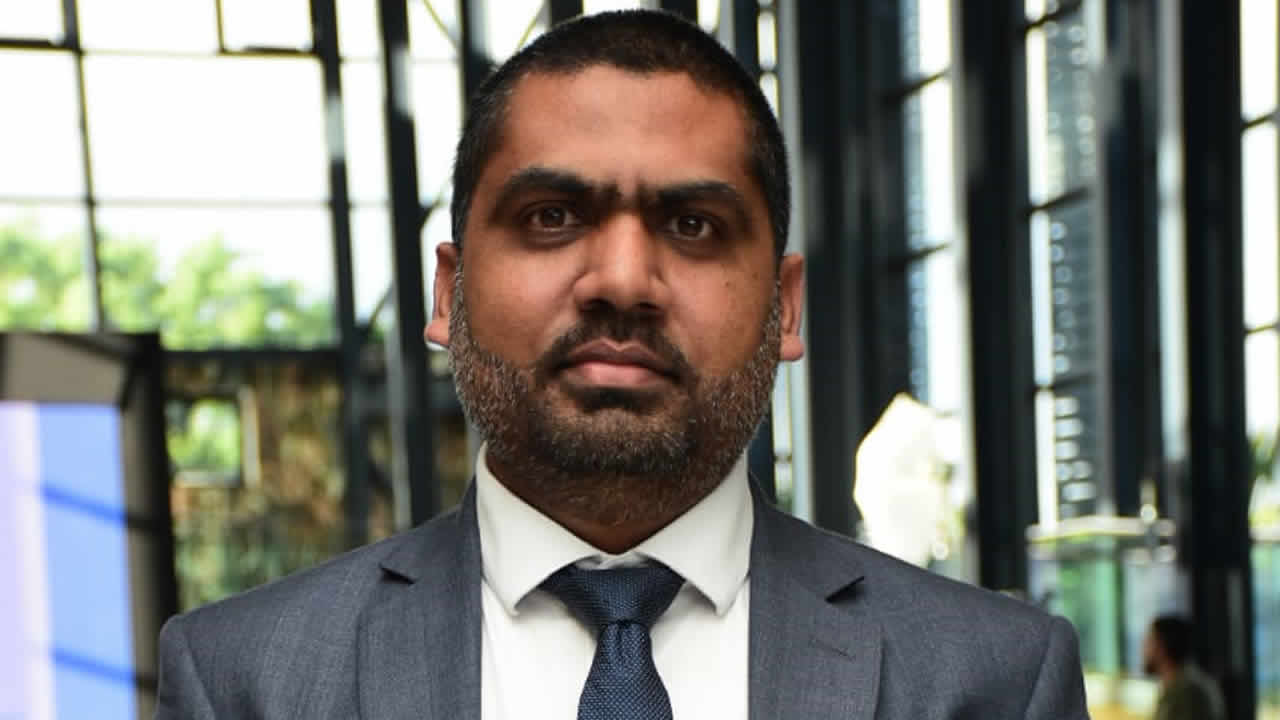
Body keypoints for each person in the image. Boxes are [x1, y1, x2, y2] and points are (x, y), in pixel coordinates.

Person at [153, 10, 1089, 719]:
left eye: (694, 225)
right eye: (552, 216)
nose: (623, 281)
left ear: (785, 306)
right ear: (449, 293)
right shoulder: (244, 681)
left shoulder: (995, 681)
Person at [1144, 615, 1225, 720]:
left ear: (1162, 646)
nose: (1144, 648)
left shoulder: (1188, 692)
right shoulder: (1178, 685)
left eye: (1149, 641)